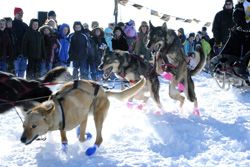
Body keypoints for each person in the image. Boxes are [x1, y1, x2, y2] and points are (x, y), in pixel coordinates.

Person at [220, 0, 250, 83]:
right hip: (240, 34)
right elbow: (237, 18)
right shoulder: (240, 7)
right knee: (240, 47)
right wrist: (244, 26)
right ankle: (237, 69)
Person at [12, 7, 28, 77]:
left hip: (24, 55)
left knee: (21, 76)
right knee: (14, 75)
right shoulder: (11, 24)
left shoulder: (25, 25)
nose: (21, 14)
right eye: (19, 13)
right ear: (15, 14)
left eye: (22, 13)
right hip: (15, 55)